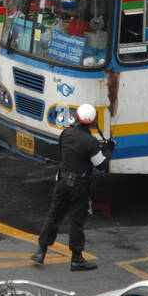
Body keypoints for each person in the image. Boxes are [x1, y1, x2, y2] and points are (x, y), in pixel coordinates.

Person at [31, 103, 110, 272]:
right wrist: (109, 150)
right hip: (79, 185)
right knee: (76, 222)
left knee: (54, 216)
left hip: (62, 182)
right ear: (93, 121)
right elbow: (102, 165)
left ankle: (41, 251)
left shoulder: (66, 134)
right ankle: (76, 259)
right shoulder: (91, 142)